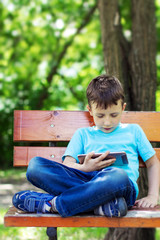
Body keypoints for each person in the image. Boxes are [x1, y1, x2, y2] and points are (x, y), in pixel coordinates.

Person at [12, 75, 159, 217]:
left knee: (117, 174)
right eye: (100, 116)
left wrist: (153, 196)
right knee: (35, 166)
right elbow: (68, 164)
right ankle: (101, 206)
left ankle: (52, 205)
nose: (107, 122)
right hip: (85, 181)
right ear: (90, 110)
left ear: (123, 108)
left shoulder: (134, 131)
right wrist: (85, 168)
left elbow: (153, 163)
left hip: (119, 186)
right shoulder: (83, 134)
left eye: (113, 115)